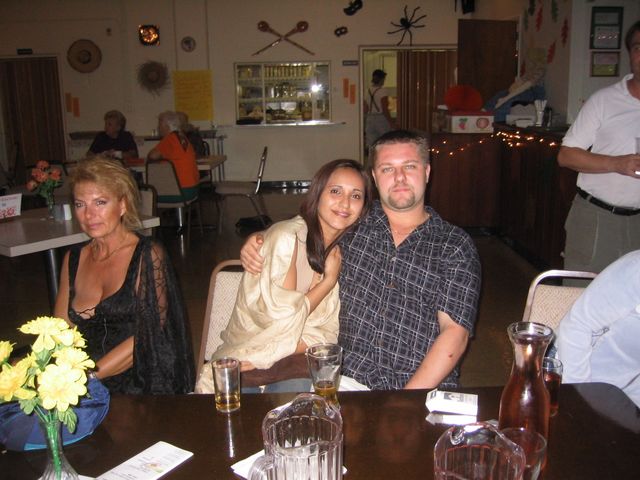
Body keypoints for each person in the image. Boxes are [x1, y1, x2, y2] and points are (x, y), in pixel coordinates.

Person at [241, 130, 481, 390]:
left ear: (426, 172)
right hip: (345, 379)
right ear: (375, 177)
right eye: (387, 169)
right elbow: (303, 227)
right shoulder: (352, 222)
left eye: (409, 166)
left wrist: (406, 400)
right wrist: (261, 238)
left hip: (420, 387)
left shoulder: (454, 245)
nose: (399, 177)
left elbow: (454, 333)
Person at [196, 159, 373, 393]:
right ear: (317, 193)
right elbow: (281, 322)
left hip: (292, 360)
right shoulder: (287, 239)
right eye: (335, 191)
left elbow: (328, 333)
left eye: (356, 196)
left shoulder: (344, 249)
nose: (345, 203)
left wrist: (287, 348)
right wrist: (328, 282)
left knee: (294, 406)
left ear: (363, 209)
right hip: (248, 355)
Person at [54, 156, 195, 394]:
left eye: (100, 202)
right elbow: (59, 331)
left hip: (139, 382)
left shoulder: (147, 254)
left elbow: (147, 336)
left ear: (122, 205)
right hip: (80, 381)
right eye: (80, 204)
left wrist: (87, 378)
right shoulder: (73, 258)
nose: (89, 215)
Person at [557, 20, 640, 274]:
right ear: (630, 55)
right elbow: (566, 156)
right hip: (597, 217)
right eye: (638, 48)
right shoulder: (604, 100)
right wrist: (617, 163)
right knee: (582, 291)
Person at [557, 250, 640, 408]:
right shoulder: (636, 270)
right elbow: (577, 326)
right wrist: (578, 398)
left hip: (624, 396)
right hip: (575, 376)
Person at [147, 111, 200, 202]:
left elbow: (152, 156)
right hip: (193, 189)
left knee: (147, 195)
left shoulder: (170, 139)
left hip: (181, 191)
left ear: (166, 127)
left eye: (159, 125)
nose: (158, 128)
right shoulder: (182, 138)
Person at [364, 69, 395, 151]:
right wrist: (391, 123)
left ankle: (372, 159)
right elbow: (385, 109)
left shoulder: (367, 91)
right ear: (382, 79)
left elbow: (365, 109)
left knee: (372, 145)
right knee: (385, 142)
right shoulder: (383, 91)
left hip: (370, 119)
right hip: (381, 119)